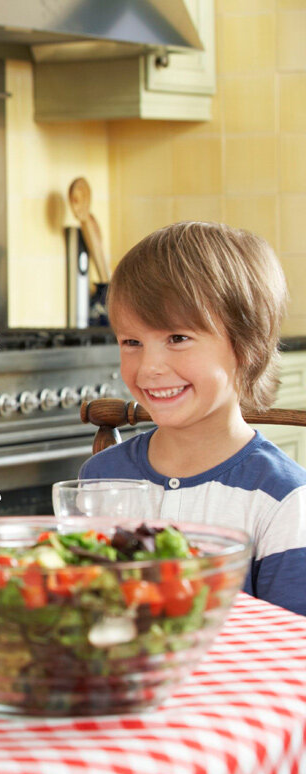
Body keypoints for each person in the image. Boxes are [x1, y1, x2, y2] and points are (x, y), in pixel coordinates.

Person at [79, 221, 306, 616]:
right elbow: (81, 602)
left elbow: (293, 646)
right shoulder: (101, 476)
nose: (149, 367)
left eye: (177, 338)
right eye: (132, 342)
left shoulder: (283, 500)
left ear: (247, 345)